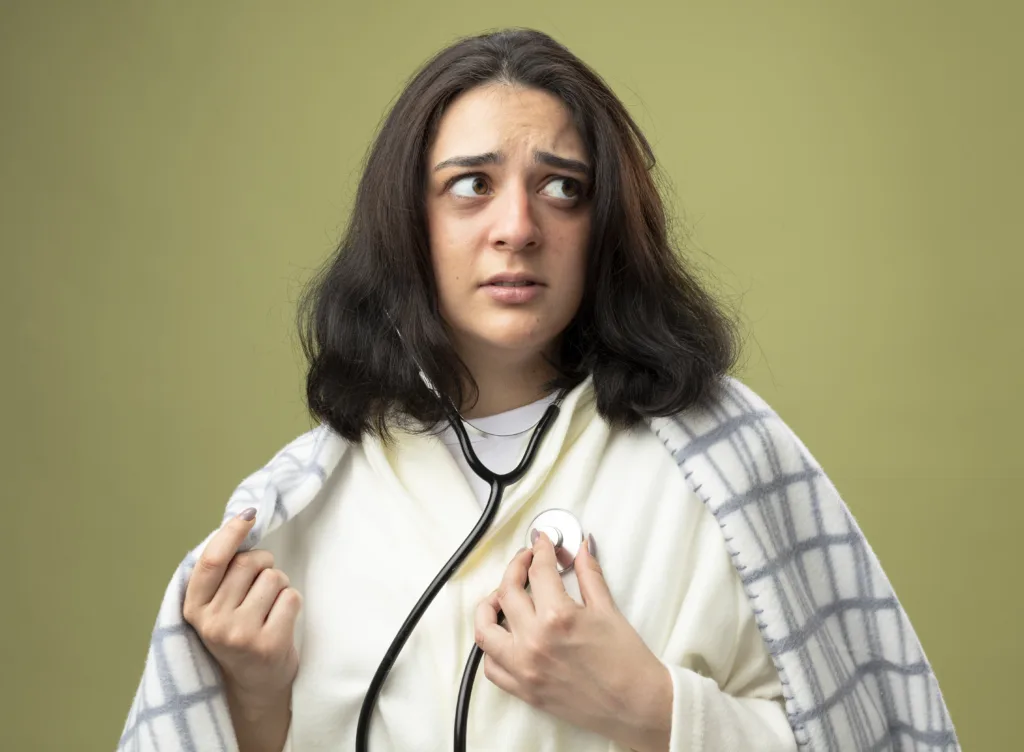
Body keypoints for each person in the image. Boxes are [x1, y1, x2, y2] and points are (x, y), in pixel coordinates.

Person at [117, 28, 958, 752]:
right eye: (471, 185)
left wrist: (650, 709)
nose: (518, 227)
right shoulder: (301, 515)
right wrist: (255, 709)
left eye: (563, 188)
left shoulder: (725, 466)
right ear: (409, 221)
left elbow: (863, 732)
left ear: (605, 226)